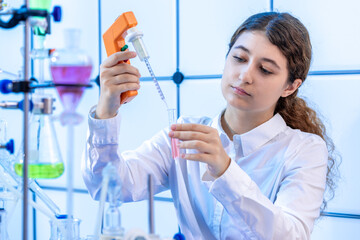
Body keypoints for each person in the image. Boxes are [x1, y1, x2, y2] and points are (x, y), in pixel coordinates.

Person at [82, 12, 339, 240]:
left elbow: (290, 236)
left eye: (265, 70)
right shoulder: (185, 134)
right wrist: (106, 110)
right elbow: (108, 188)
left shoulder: (304, 150)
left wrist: (225, 170)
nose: (244, 75)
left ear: (290, 86)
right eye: (239, 58)